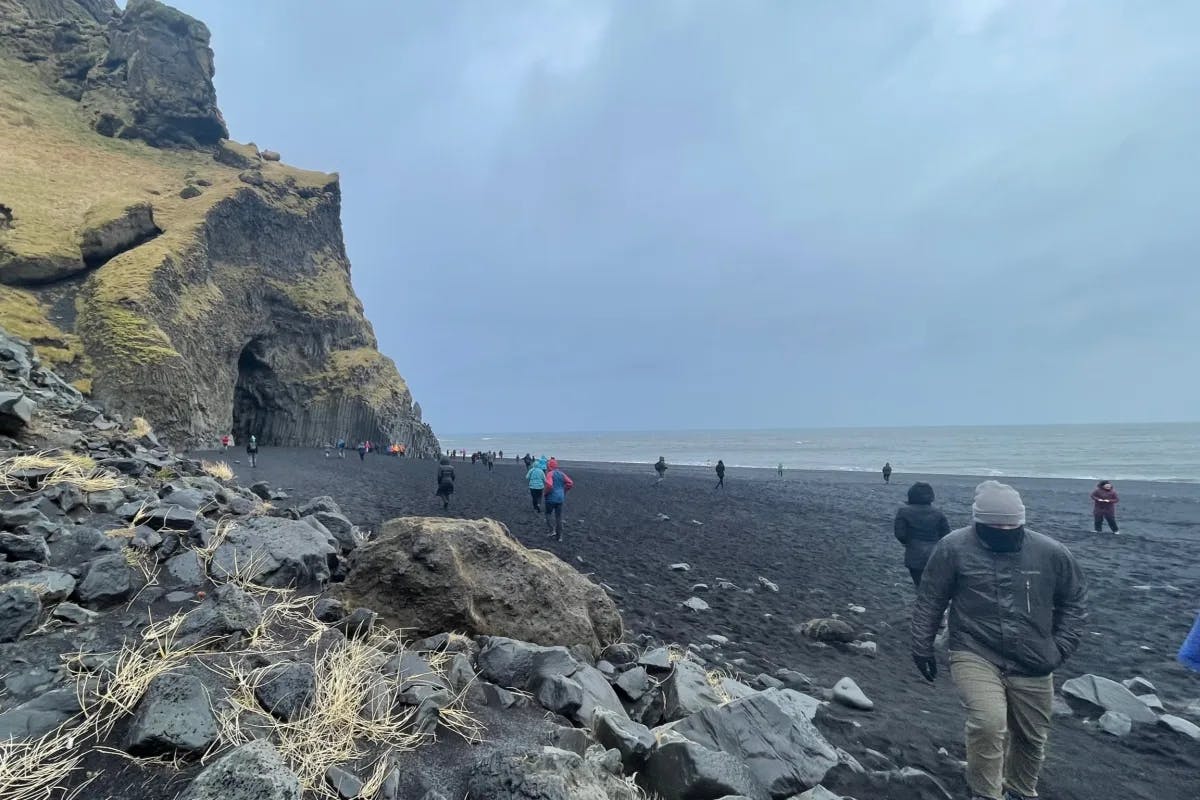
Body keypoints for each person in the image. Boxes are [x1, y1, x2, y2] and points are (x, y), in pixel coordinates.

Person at [911, 480, 1087, 800]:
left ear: (1022, 520)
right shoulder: (953, 548)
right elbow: (931, 599)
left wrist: (1059, 649)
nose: (1004, 529)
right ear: (978, 522)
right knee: (988, 723)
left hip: (1035, 657)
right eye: (995, 525)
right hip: (974, 649)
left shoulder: (1052, 553)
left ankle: (1020, 791)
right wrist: (921, 646)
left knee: (1032, 737)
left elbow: (1073, 603)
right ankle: (986, 793)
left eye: (1011, 524)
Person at [894, 481, 951, 586]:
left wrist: (907, 542)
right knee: (935, 585)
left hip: (914, 553)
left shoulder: (903, 511)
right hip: (935, 553)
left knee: (919, 583)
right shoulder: (938, 512)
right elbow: (946, 535)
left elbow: (900, 534)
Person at [543, 457, 574, 541]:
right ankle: (559, 536)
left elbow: (549, 485)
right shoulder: (561, 474)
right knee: (558, 517)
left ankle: (551, 530)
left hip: (551, 498)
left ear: (549, 466)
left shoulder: (550, 474)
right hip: (560, 498)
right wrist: (564, 490)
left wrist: (545, 492)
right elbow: (570, 483)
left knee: (548, 514)